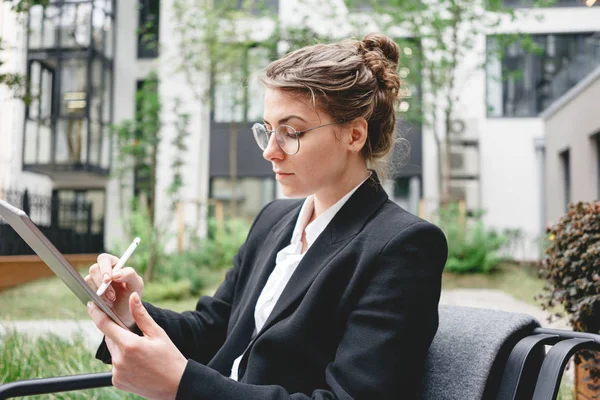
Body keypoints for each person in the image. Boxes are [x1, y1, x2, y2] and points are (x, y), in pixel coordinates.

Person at [85, 32, 448, 400]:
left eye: (291, 131)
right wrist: (130, 311)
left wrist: (185, 385)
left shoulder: (402, 246)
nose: (270, 152)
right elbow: (216, 330)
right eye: (268, 130)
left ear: (354, 135)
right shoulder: (275, 220)